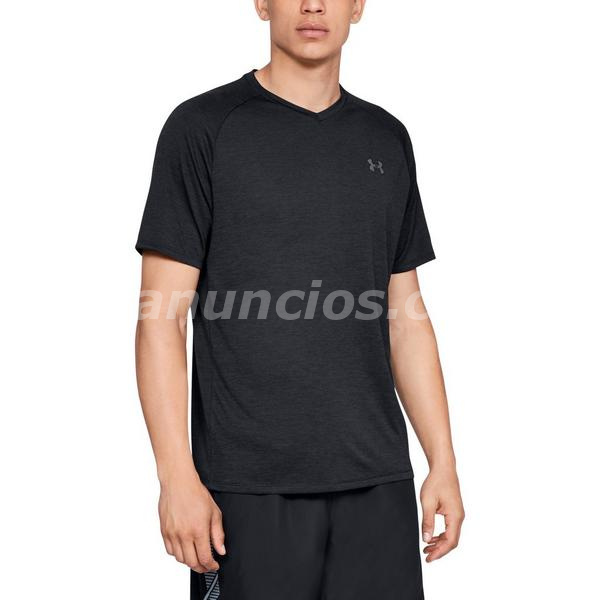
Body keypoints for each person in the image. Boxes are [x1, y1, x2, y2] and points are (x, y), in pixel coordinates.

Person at [135, 1, 464, 598]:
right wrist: (176, 476)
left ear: (358, 6)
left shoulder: (385, 137)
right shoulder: (203, 128)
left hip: (378, 484)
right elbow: (162, 319)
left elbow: (406, 317)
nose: (314, 5)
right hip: (246, 491)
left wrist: (442, 459)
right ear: (262, 3)